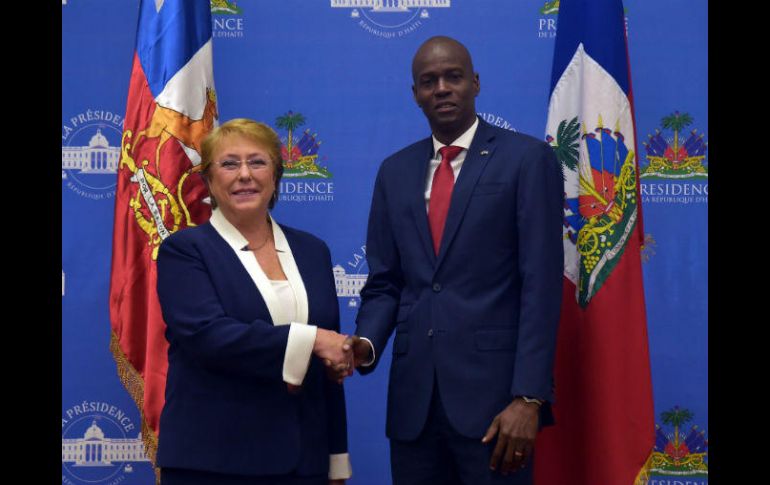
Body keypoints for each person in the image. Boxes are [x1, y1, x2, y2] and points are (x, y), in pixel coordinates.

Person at [346, 36, 564, 484]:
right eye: (429, 81)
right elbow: (386, 282)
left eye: (453, 77)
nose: (441, 88)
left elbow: (541, 286)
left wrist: (528, 398)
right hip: (414, 408)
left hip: (497, 410)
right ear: (415, 94)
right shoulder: (394, 171)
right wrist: (364, 344)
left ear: (475, 83)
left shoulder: (526, 159)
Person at [155, 118, 353, 485]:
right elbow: (209, 337)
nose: (244, 174)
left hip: (304, 463)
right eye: (229, 164)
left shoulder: (313, 251)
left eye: (257, 162)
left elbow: (330, 368)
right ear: (209, 179)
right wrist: (312, 339)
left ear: (275, 175)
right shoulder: (184, 251)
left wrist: (336, 459)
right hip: (213, 464)